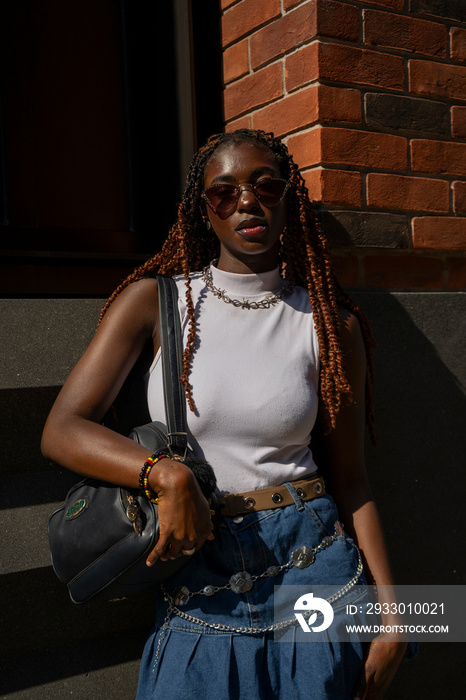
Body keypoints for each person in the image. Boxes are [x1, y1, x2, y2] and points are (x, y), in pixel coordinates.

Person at [42, 129, 409, 699]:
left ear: (288, 198)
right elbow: (63, 429)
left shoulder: (330, 326)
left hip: (315, 568)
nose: (247, 200)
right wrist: (165, 474)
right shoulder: (156, 301)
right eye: (224, 191)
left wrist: (396, 620)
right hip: (198, 572)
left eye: (266, 185)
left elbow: (352, 479)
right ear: (203, 209)